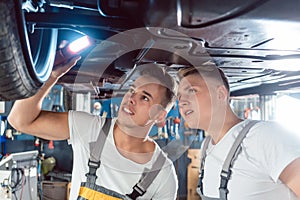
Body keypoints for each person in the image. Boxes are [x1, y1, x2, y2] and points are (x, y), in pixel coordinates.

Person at [8, 53, 178, 199]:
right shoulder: (89, 129)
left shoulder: (162, 173)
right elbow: (20, 121)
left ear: (159, 115)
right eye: (132, 90)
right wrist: (51, 77)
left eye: (145, 97)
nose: (131, 98)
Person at [177, 66, 300, 200]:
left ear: (221, 94)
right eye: (179, 97)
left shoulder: (265, 136)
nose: (182, 102)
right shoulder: (206, 147)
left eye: (192, 91)